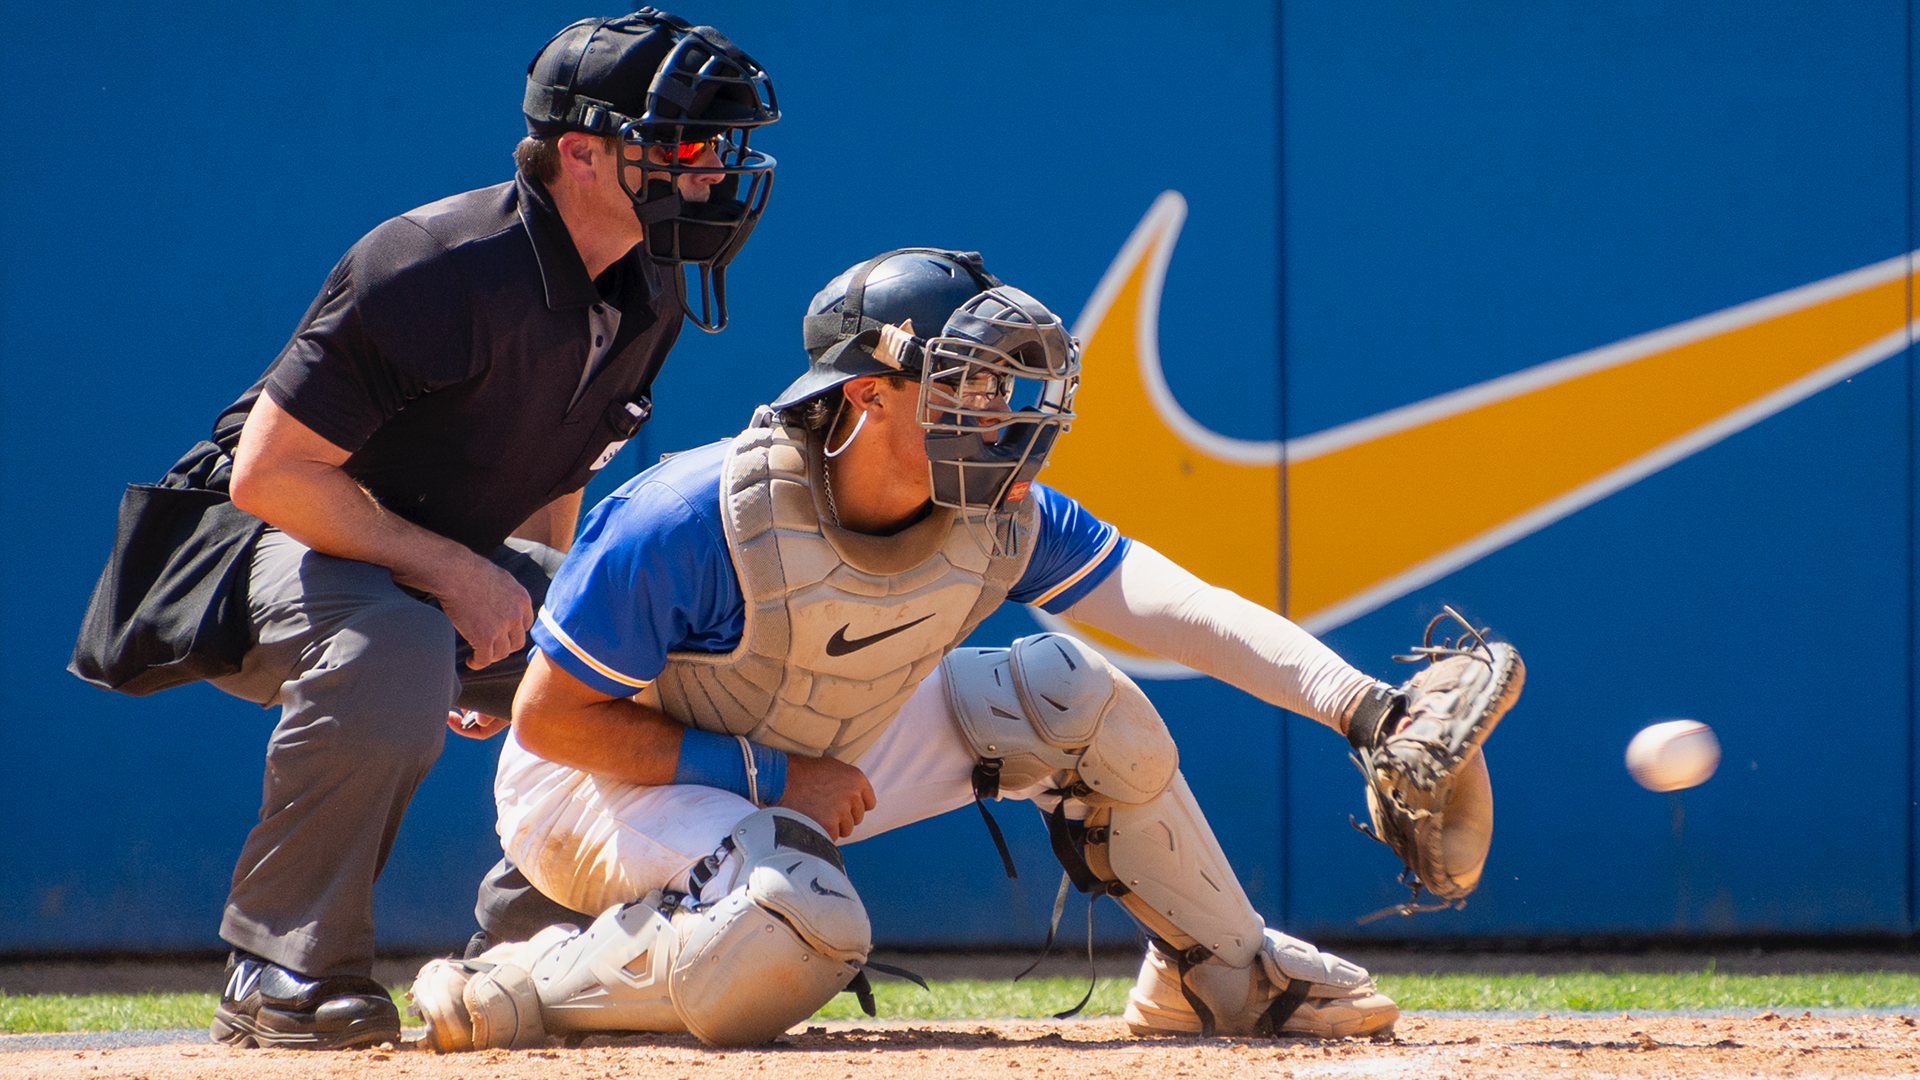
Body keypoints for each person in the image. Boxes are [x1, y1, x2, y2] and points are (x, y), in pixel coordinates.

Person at [408, 249, 1525, 1050]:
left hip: (817, 752)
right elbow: (554, 724)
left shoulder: (999, 509)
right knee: (799, 922)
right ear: (864, 395)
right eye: (964, 385)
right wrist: (770, 782)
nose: (998, 413)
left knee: (1070, 693)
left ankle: (1217, 976)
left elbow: (1177, 608)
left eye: (1002, 387)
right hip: (598, 791)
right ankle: (529, 987)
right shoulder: (692, 516)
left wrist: (1364, 709)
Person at [70, 9, 777, 1051]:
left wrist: (541, 635)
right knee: (394, 638)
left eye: (722, 146)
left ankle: (537, 950)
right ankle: (280, 971)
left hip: (411, 558)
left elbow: (553, 480)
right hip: (243, 542)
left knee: (643, 646)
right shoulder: (434, 263)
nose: (714, 171)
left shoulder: (650, 287)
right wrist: (460, 582)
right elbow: (273, 472)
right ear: (581, 152)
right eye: (681, 145)